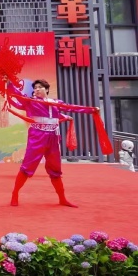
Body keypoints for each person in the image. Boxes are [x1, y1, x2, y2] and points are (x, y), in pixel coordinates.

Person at [6, 79, 97, 207]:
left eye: (40, 87)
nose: (37, 89)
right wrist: (9, 84)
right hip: (37, 137)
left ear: (47, 89)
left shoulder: (56, 103)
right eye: (35, 88)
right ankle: (15, 194)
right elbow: (18, 95)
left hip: (53, 137)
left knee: (55, 169)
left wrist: (91, 110)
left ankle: (62, 199)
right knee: (27, 167)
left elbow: (71, 108)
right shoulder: (31, 101)